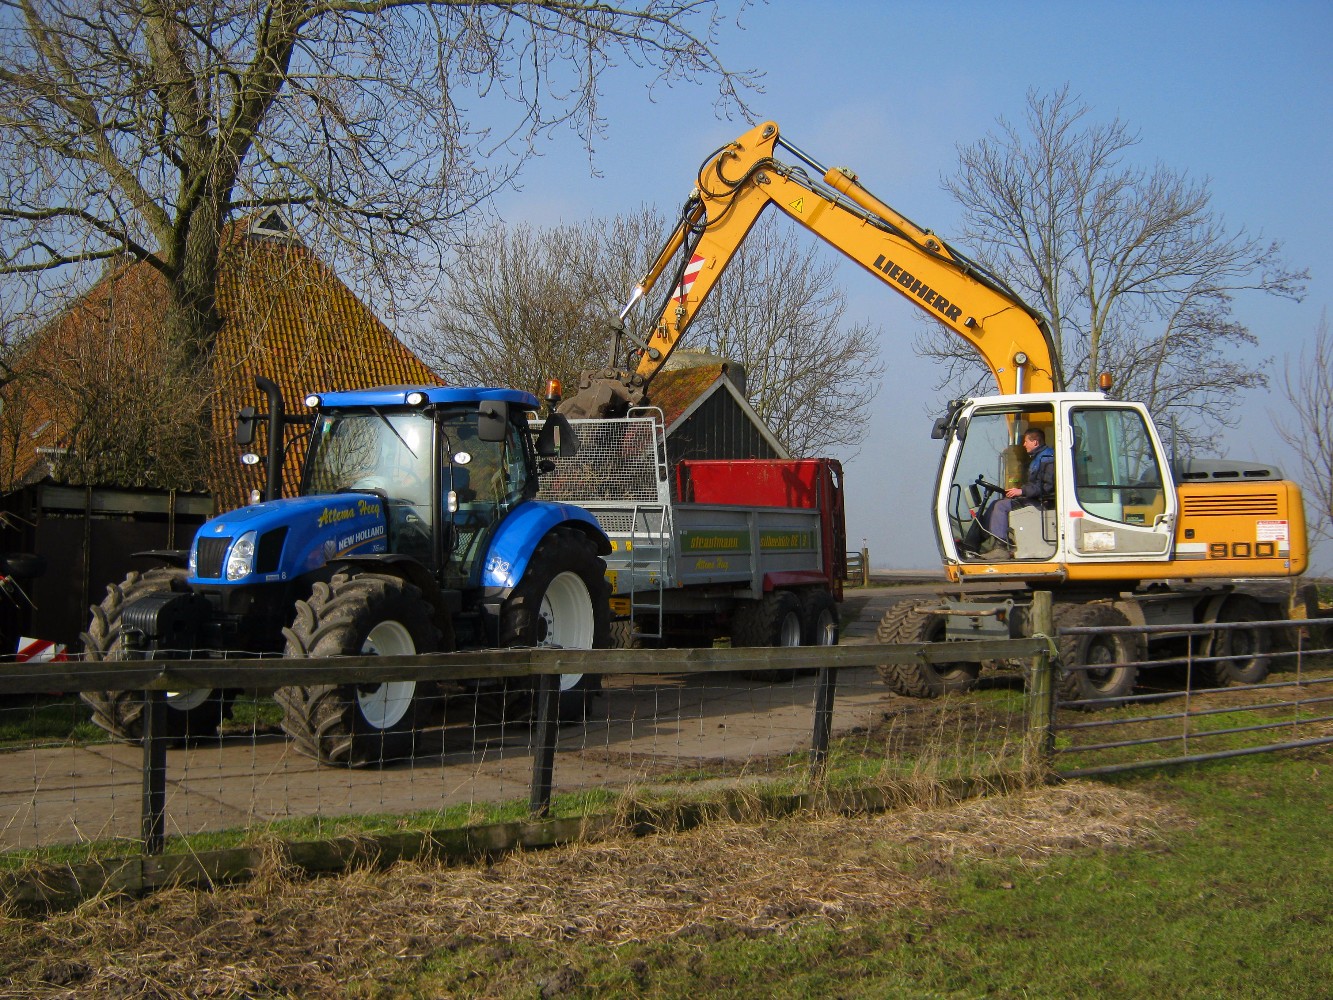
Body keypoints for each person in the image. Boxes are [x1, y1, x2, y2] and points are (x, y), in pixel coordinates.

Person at [978, 428, 1055, 557]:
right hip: (1035, 498)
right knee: (996, 503)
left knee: (1001, 506)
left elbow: (1048, 487)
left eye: (1026, 441)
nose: (1023, 445)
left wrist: (1022, 491)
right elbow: (1035, 484)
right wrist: (1018, 490)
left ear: (1035, 442)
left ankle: (1000, 547)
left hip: (1043, 502)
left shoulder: (1048, 459)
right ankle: (983, 538)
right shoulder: (1038, 458)